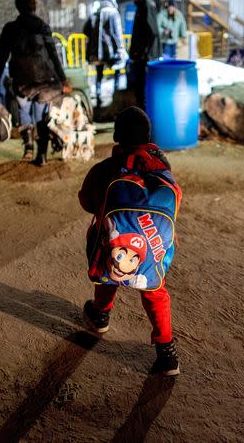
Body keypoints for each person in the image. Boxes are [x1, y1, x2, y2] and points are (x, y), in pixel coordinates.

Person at [78, 106, 180, 376]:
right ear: (149, 137)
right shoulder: (163, 173)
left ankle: (100, 314)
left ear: (116, 136)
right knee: (154, 290)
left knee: (107, 260)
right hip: (152, 247)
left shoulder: (107, 169)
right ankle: (167, 352)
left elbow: (87, 201)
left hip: (115, 248)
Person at [0, 0, 68, 166]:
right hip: (45, 79)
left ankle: (28, 148)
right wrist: (62, 78)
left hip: (22, 80)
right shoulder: (43, 26)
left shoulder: (11, 28)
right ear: (34, 7)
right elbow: (53, 55)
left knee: (24, 110)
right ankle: (42, 155)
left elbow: (1, 56)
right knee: (41, 115)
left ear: (18, 7)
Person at [83, 0, 126, 108]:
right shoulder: (113, 13)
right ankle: (115, 98)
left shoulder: (95, 14)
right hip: (111, 52)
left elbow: (85, 30)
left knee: (99, 75)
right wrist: (121, 49)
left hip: (97, 53)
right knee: (117, 72)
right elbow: (117, 34)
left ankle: (98, 99)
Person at [127, 0, 161, 110]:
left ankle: (145, 124)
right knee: (140, 93)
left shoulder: (146, 6)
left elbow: (152, 32)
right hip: (141, 58)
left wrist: (142, 53)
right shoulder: (141, 6)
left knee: (143, 94)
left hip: (145, 60)